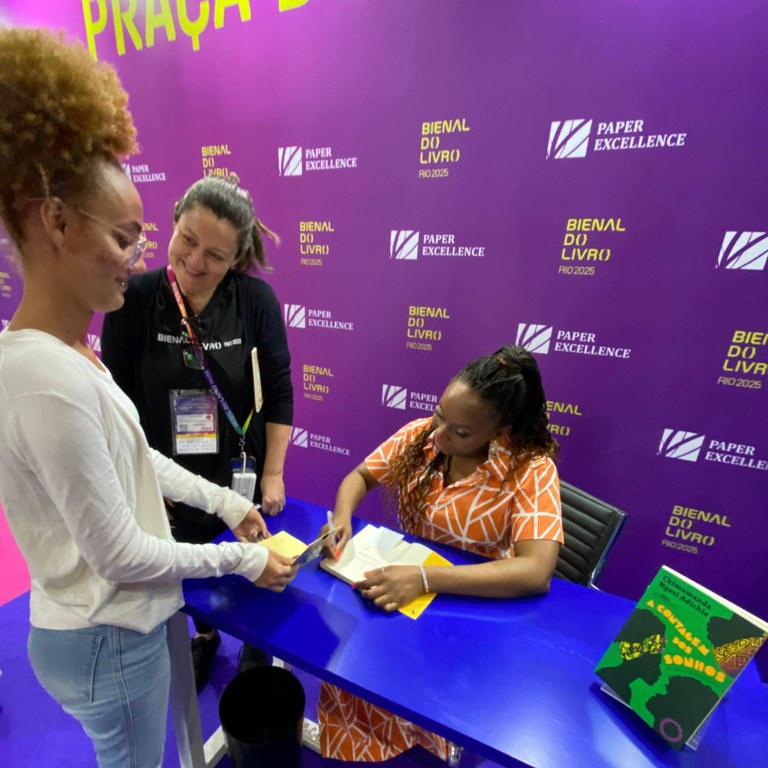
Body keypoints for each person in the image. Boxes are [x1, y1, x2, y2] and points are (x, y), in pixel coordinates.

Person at [0, 28, 297, 767]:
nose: (142, 260)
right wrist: (238, 561)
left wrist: (231, 507)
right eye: (128, 238)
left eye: (140, 238)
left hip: (111, 626)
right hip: (107, 633)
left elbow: (136, 452)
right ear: (57, 222)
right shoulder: (44, 375)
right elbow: (124, 555)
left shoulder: (69, 355)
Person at [318, 345, 563, 762]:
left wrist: (425, 578)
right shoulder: (420, 436)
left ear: (500, 430)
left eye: (461, 432)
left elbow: (535, 571)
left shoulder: (530, 468)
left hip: (465, 614)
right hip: (399, 599)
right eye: (439, 415)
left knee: (421, 710)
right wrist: (342, 517)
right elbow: (358, 477)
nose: (440, 436)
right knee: (354, 677)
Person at [101, 173, 293, 687]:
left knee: (253, 555)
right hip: (167, 472)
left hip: (239, 469)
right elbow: (116, 400)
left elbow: (278, 391)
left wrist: (273, 472)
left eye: (216, 255)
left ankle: (258, 645)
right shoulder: (134, 297)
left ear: (236, 260)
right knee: (190, 572)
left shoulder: (255, 301)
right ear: (173, 223)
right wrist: (142, 478)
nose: (195, 261)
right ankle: (205, 636)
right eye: (187, 239)